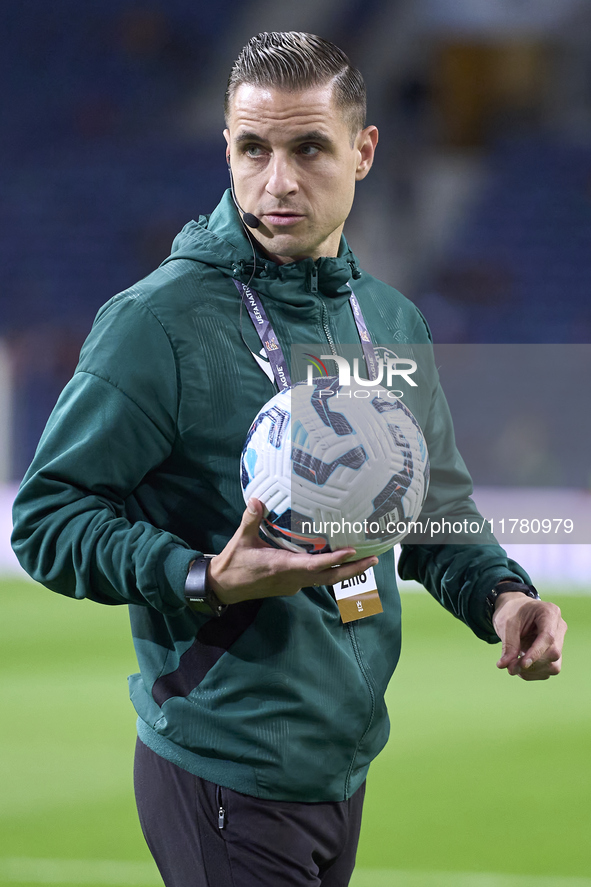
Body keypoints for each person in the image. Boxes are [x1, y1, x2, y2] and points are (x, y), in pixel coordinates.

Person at [11, 31, 566, 887]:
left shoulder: (389, 321)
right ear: (225, 150)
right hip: (223, 764)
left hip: (339, 761)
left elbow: (432, 516)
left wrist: (502, 597)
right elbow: (47, 519)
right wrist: (202, 576)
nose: (277, 181)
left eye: (308, 147)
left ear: (364, 150)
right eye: (251, 149)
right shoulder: (156, 324)